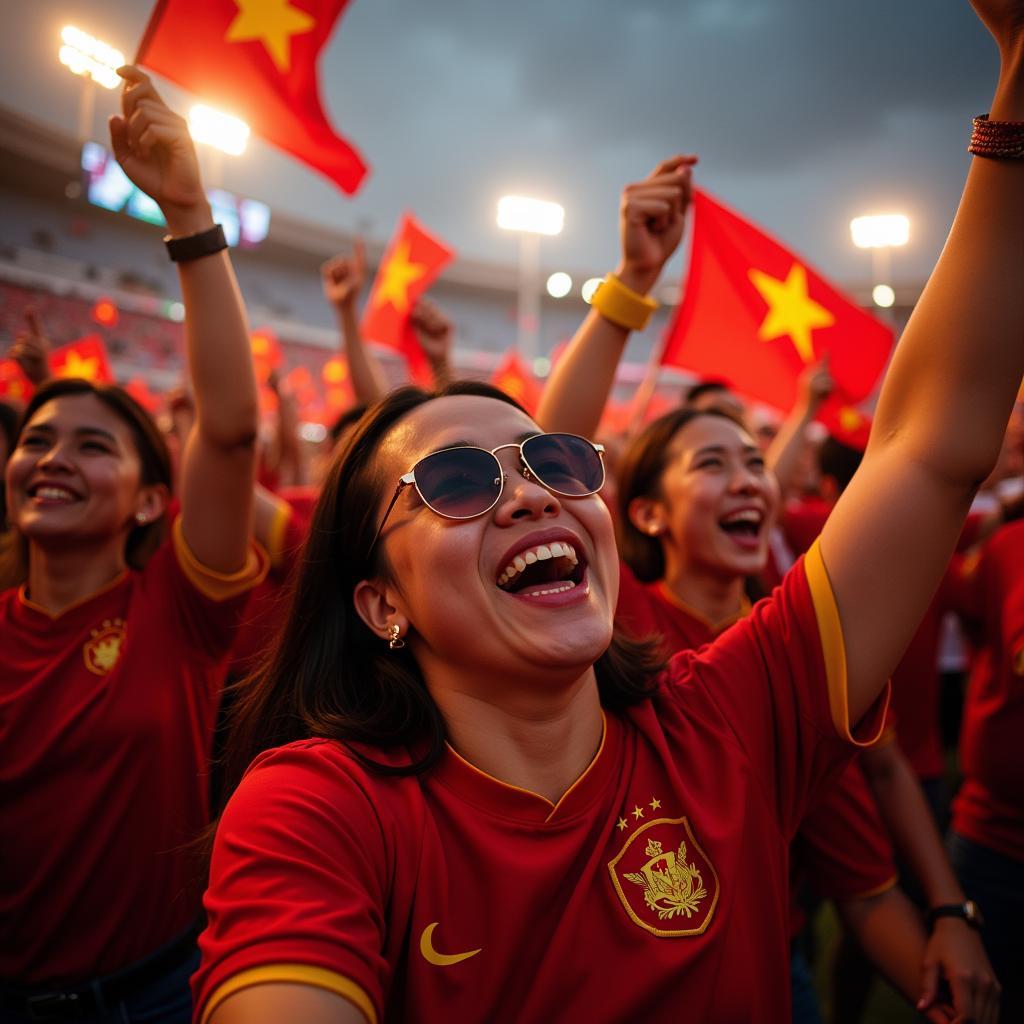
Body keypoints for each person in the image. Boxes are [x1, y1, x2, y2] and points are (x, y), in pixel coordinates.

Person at [196, 3, 1022, 1019]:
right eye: (458, 482)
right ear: (378, 604)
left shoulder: (727, 718)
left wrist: (1017, 91)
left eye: (551, 459)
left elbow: (927, 449)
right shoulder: (321, 809)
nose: (534, 490)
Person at [0, 66, 265, 1022]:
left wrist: (189, 214)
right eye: (36, 439)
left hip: (160, 991)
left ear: (156, 501)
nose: (53, 458)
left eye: (92, 444)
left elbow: (232, 430)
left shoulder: (180, 611)